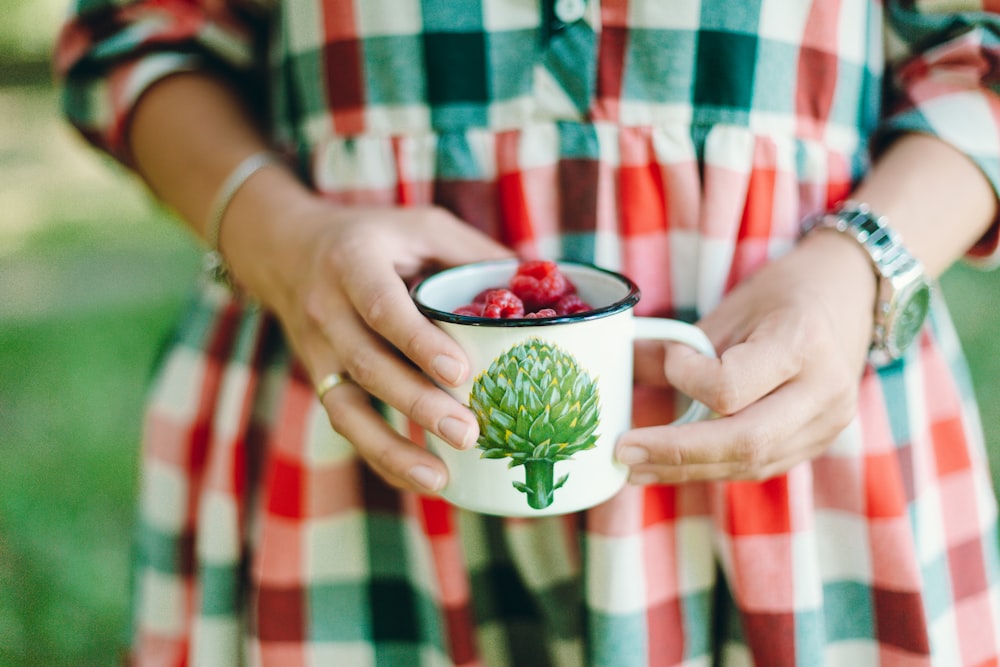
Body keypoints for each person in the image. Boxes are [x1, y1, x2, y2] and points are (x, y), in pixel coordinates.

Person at [55, 0, 1000, 664]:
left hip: (795, 410)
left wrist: (864, 262)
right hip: (354, 409)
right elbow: (138, 34)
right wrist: (284, 239)